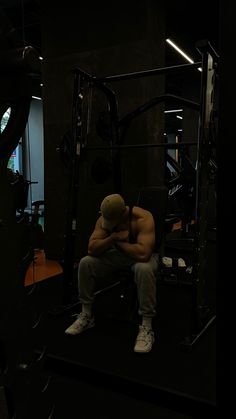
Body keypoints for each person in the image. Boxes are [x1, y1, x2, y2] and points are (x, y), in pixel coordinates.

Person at [65, 193, 159, 353]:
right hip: (117, 253)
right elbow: (92, 249)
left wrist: (118, 243)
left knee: (144, 269)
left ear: (123, 214)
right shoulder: (104, 219)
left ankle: (146, 326)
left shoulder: (143, 218)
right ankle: (87, 315)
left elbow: (144, 254)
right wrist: (113, 238)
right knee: (86, 262)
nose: (107, 224)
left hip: (141, 257)